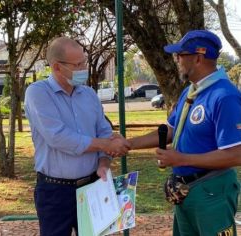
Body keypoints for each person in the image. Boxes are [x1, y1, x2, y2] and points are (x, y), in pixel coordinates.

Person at [125, 30, 241, 236]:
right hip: (185, 191)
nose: (176, 59)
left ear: (198, 57)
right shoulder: (190, 92)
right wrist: (129, 144)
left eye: (180, 55)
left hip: (211, 192)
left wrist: (180, 159)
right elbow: (171, 130)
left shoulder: (224, 96)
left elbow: (236, 154)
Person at [24, 37, 130, 236]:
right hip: (55, 192)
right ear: (57, 67)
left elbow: (104, 130)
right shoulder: (38, 93)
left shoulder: (89, 94)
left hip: (92, 186)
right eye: (78, 64)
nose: (84, 68)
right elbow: (59, 137)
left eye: (84, 62)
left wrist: (104, 163)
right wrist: (105, 144)